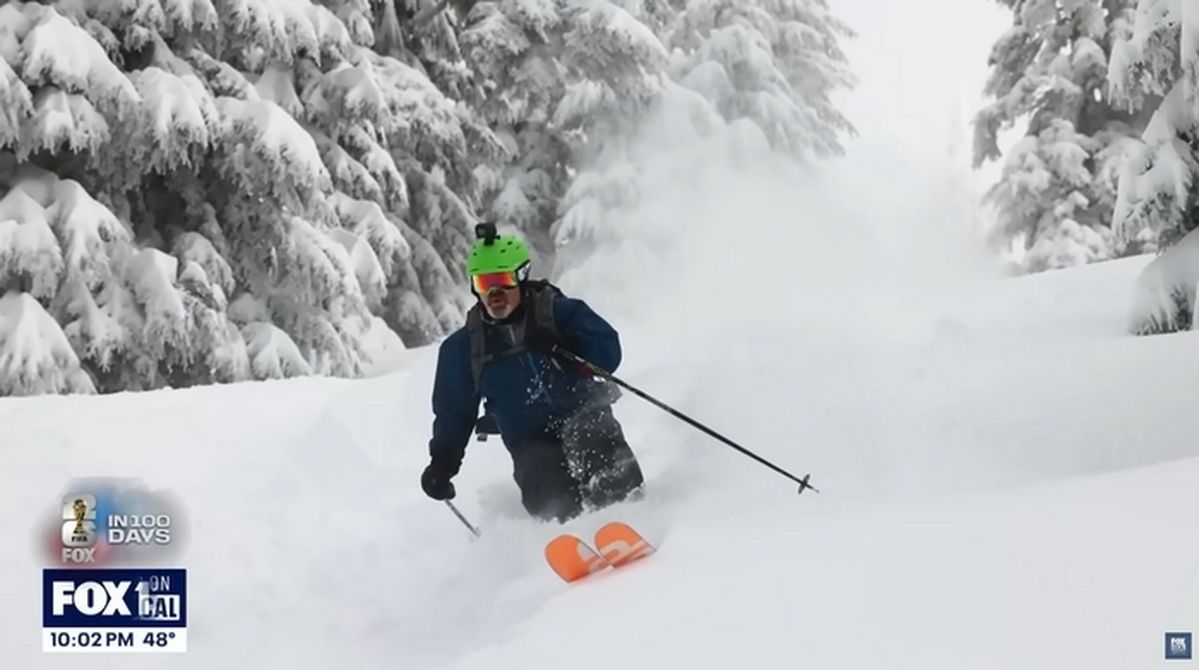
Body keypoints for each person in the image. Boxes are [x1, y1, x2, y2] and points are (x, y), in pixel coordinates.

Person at [419, 226, 645, 522]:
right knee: (543, 481)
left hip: (584, 411)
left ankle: (629, 516)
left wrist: (564, 346)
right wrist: (442, 463)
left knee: (594, 442)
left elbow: (609, 352)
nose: (494, 293)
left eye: (501, 280)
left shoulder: (560, 314)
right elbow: (453, 412)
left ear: (521, 277)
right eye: (484, 282)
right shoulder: (463, 349)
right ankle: (572, 537)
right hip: (529, 439)